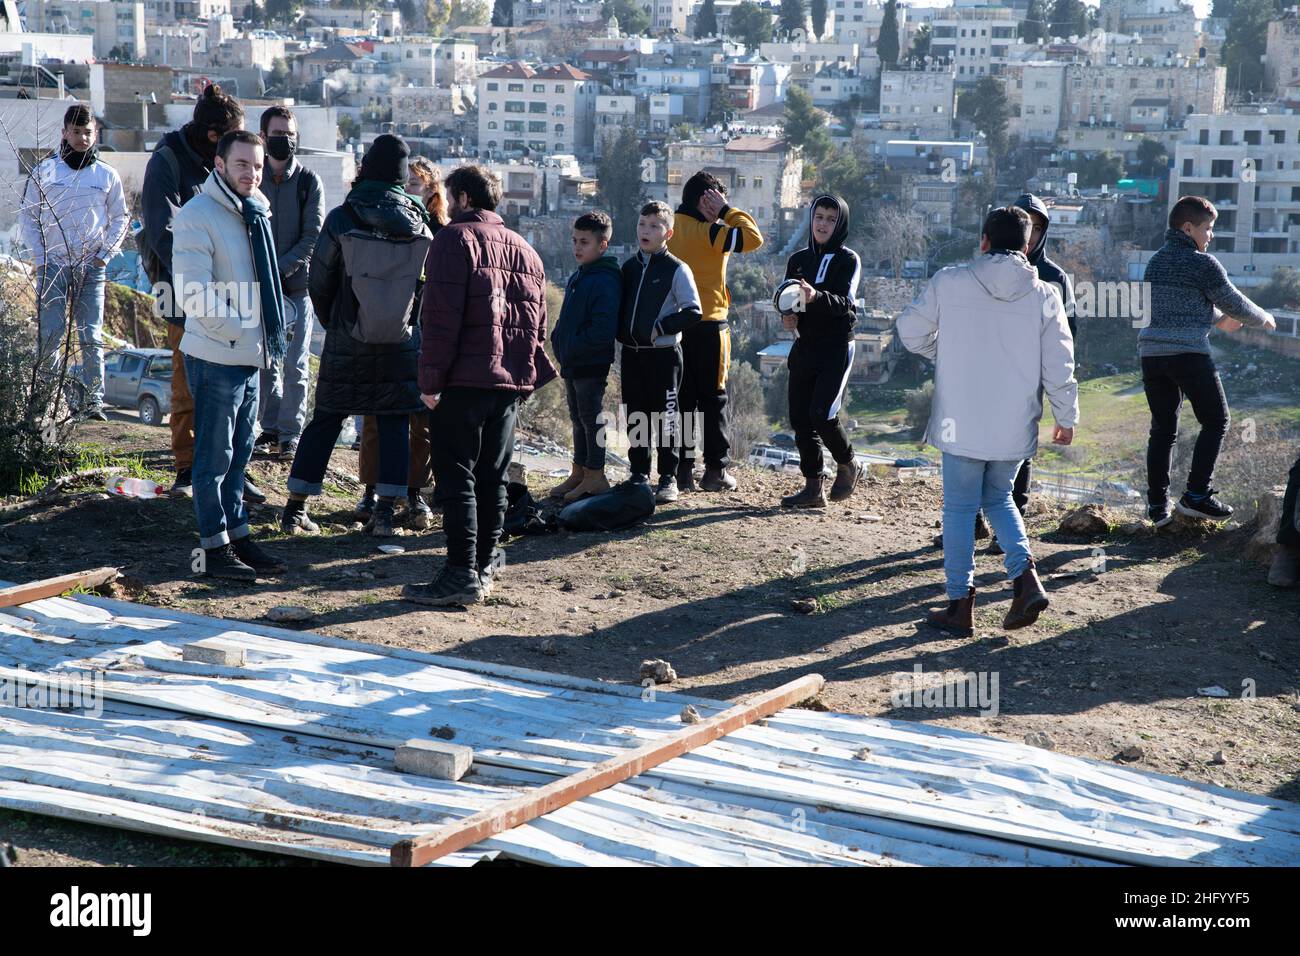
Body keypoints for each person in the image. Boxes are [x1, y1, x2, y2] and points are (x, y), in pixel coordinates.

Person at [898, 206, 1079, 637]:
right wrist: (1066, 415)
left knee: (960, 508)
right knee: (1000, 499)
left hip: (959, 420)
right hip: (1014, 422)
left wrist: (946, 352)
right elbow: (1060, 362)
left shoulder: (950, 280)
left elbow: (910, 331)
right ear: (1027, 245)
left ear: (983, 241)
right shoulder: (1046, 295)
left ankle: (960, 606)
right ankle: (1025, 578)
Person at [403, 164, 555, 607]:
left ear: (464, 198)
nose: (447, 206)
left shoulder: (453, 240)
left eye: (450, 198)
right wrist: (524, 380)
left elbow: (439, 319)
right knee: (493, 478)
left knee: (457, 478)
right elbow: (537, 327)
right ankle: (485, 567)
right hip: (507, 384)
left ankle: (458, 573)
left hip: (463, 381)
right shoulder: (527, 250)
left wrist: (430, 381)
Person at [280, 134, 433, 538]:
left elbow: (319, 279)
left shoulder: (343, 217)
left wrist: (338, 322)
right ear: (402, 176)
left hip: (348, 336)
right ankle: (384, 515)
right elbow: (427, 287)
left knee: (326, 419)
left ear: (366, 168)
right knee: (395, 423)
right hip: (401, 340)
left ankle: (295, 509)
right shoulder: (420, 221)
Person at [172, 130, 287, 581]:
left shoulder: (255, 211)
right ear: (220, 165)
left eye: (257, 166)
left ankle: (237, 535)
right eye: (242, 164)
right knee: (213, 457)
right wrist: (239, 328)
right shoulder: (199, 214)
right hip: (218, 352)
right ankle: (213, 548)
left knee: (240, 454)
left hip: (249, 353)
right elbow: (193, 290)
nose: (252, 173)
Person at [140, 85, 258, 501]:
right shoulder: (167, 162)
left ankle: (232, 470)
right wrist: (202, 281)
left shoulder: (221, 164)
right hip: (183, 290)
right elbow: (163, 233)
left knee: (233, 386)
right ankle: (189, 466)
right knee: (187, 380)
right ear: (213, 137)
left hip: (232, 292)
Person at [1141, 195, 1275, 526]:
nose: (1210, 235)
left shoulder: (1155, 261)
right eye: (1208, 228)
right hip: (1187, 354)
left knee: (1163, 429)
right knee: (1216, 420)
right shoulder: (1203, 263)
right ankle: (1196, 495)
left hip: (1152, 356)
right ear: (1188, 228)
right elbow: (1236, 303)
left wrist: (1215, 318)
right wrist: (1265, 318)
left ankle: (1158, 507)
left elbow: (1177, 302)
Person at [354, 155, 448, 529]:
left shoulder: (442, 234)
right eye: (404, 181)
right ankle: (371, 491)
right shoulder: (378, 221)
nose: (407, 189)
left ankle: (414, 495)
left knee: (420, 418)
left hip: (424, 334)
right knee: (376, 415)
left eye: (415, 183)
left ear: (430, 192)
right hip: (382, 331)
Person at [20, 103, 129, 420]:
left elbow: (121, 218)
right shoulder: (46, 171)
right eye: (76, 131)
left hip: (90, 268)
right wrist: (40, 259)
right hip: (52, 267)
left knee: (90, 335)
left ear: (96, 135)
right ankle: (44, 401)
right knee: (51, 336)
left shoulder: (106, 175)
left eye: (88, 132)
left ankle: (94, 402)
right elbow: (29, 216)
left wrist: (103, 256)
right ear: (64, 133)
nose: (82, 138)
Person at [667, 171, 763, 492]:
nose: (721, 207)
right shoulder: (711, 232)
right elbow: (753, 238)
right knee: (713, 399)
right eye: (717, 200)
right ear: (705, 201)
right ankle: (715, 471)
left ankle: (681, 471)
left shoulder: (668, 228)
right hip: (710, 325)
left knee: (682, 400)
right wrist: (725, 212)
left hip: (675, 327)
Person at [776, 194, 864, 509]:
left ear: (840, 223)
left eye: (830, 218)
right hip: (804, 345)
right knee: (800, 418)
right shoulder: (798, 259)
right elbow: (789, 300)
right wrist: (788, 317)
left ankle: (849, 463)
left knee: (822, 414)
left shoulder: (848, 260)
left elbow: (846, 304)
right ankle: (813, 488)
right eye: (818, 217)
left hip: (836, 347)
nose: (823, 223)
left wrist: (817, 297)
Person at [617, 201, 703, 504]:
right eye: (642, 224)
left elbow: (694, 311)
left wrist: (661, 326)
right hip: (631, 355)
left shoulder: (677, 269)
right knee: (636, 416)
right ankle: (639, 473)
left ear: (668, 233)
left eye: (654, 226)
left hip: (664, 356)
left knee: (666, 417)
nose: (646, 231)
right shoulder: (627, 268)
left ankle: (668, 478)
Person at [252, 106, 324, 463]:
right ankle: (270, 427)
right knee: (267, 361)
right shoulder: (254, 178)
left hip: (297, 286)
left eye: (291, 134)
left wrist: (279, 268)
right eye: (279, 133)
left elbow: (313, 237)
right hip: (260, 289)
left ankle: (291, 433)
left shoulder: (309, 182)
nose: (286, 140)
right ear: (263, 137)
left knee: (295, 364)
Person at [548, 210, 621, 503]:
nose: (577, 247)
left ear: (602, 245)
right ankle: (579, 471)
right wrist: (558, 340)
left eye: (585, 242)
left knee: (592, 418)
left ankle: (596, 474)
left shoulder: (605, 279)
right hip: (573, 360)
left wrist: (574, 346)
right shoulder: (581, 274)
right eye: (575, 240)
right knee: (577, 417)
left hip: (590, 362)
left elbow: (602, 329)